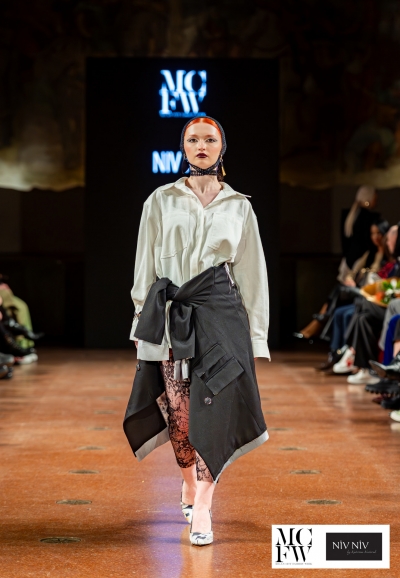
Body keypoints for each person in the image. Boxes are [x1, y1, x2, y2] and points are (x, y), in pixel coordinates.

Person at [123, 116, 270, 546]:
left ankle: (203, 504)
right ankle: (188, 483)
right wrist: (141, 322)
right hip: (172, 315)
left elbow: (252, 276)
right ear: (183, 147)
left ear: (222, 148)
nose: (201, 145)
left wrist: (256, 337)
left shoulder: (239, 206)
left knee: (218, 410)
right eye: (193, 139)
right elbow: (144, 267)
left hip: (222, 316)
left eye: (210, 139)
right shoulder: (160, 200)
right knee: (180, 412)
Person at [295, 185, 379, 341]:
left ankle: (317, 324)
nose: (376, 199)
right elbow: (364, 248)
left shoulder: (350, 215)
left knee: (337, 296)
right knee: (338, 296)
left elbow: (347, 244)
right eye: (375, 196)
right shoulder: (367, 219)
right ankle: (318, 326)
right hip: (356, 266)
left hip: (350, 265)